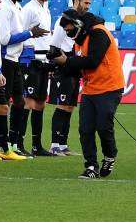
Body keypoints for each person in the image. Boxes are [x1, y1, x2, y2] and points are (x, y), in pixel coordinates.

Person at [53, 9, 124, 180]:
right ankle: (91, 166)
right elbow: (78, 65)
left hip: (109, 87)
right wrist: (58, 66)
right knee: (85, 129)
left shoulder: (99, 33)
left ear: (78, 25)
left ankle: (109, 155)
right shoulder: (80, 38)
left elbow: (92, 61)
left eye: (70, 30)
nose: (69, 34)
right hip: (90, 88)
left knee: (103, 126)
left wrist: (67, 61)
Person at [0, 0, 36, 160]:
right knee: (3, 104)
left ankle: (13, 143)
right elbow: (4, 39)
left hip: (15, 59)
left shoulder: (16, 7)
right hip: (6, 60)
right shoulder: (4, 9)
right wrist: (29, 34)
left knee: (20, 101)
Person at [45, 0, 92, 156]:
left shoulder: (80, 21)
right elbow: (54, 46)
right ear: (76, 1)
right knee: (62, 105)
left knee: (70, 106)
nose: (87, 7)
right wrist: (62, 62)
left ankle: (63, 144)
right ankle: (54, 144)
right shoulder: (64, 20)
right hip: (64, 66)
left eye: (89, 4)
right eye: (85, 3)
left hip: (74, 65)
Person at [21, 0, 55, 156]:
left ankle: (36, 145)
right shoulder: (29, 10)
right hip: (32, 59)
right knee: (29, 102)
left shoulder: (46, 9)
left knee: (41, 102)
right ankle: (19, 143)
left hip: (44, 60)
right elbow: (22, 33)